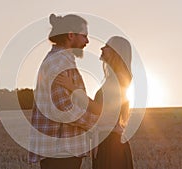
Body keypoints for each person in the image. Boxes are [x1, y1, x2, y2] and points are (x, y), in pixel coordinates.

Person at [28, 13, 98, 169]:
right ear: (71, 35)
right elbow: (63, 109)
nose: (87, 41)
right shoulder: (59, 63)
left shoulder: (61, 60)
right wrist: (94, 123)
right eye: (84, 36)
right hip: (61, 151)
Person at [56, 36, 134, 169]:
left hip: (111, 146)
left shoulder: (118, 78)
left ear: (117, 52)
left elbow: (100, 110)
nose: (102, 48)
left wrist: (74, 89)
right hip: (109, 142)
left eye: (107, 46)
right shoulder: (116, 77)